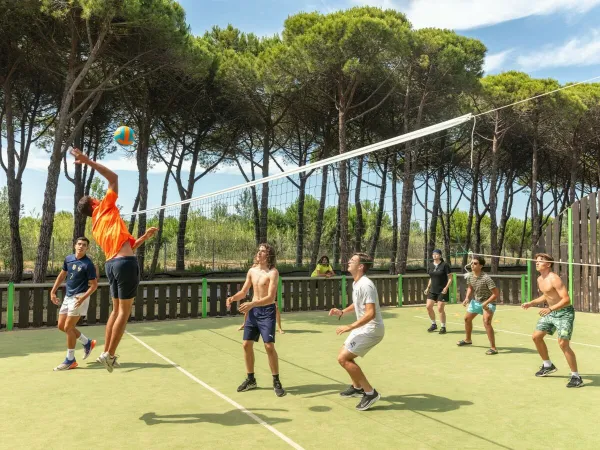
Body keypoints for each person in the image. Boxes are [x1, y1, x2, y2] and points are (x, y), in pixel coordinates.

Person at [71, 147, 158, 373]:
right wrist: (87, 160)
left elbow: (127, 247)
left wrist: (144, 237)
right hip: (125, 265)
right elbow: (114, 178)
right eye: (95, 198)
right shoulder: (105, 207)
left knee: (115, 310)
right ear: (93, 204)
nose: (99, 197)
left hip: (113, 264)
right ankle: (109, 354)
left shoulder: (98, 224)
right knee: (123, 312)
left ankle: (105, 353)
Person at [226, 243, 286, 397]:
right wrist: (232, 298)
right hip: (254, 311)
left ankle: (276, 380)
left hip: (267, 311)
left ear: (269, 255)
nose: (259, 253)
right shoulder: (252, 271)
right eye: (258, 251)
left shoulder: (273, 273)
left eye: (263, 251)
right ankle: (251, 379)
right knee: (246, 344)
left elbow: (271, 297)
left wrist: (252, 303)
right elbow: (244, 291)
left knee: (269, 346)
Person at [328, 252, 384, 411]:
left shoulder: (366, 284)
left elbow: (370, 313)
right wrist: (342, 312)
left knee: (343, 358)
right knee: (343, 355)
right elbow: (357, 303)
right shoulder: (356, 283)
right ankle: (357, 387)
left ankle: (370, 392)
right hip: (363, 327)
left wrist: (349, 326)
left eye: (352, 260)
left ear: (360, 266)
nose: (348, 262)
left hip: (372, 329)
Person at [521, 253, 583, 388]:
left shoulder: (554, 279)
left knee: (563, 344)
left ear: (548, 264)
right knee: (536, 337)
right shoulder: (539, 279)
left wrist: (550, 309)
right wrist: (531, 303)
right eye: (536, 261)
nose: (537, 263)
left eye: (540, 261)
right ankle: (548, 365)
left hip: (564, 313)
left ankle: (576, 376)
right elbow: (546, 295)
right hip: (552, 312)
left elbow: (566, 299)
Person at [50, 237, 98, 371]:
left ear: (87, 248)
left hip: (79, 297)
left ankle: (70, 360)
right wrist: (53, 291)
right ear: (75, 245)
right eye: (79, 244)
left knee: (68, 327)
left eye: (84, 245)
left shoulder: (88, 264)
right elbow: (61, 275)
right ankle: (87, 342)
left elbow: (94, 286)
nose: (81, 246)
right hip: (68, 296)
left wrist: (82, 299)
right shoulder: (69, 259)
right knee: (61, 326)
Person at [457, 256, 500, 355]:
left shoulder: (486, 278)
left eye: (475, 263)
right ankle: (468, 340)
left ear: (481, 266)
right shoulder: (471, 276)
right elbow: (470, 288)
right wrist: (467, 298)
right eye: (472, 263)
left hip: (489, 302)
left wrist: (486, 302)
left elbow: (496, 294)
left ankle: (493, 348)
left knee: (486, 322)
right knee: (467, 319)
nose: (472, 265)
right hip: (476, 302)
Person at [424, 249, 452, 334]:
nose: (434, 256)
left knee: (440, 308)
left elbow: (450, 278)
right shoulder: (430, 265)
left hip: (442, 291)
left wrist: (446, 288)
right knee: (428, 307)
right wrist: (427, 288)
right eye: (433, 254)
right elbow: (431, 278)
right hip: (433, 290)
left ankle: (443, 327)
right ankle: (434, 324)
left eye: (436, 254)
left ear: (440, 255)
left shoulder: (445, 265)